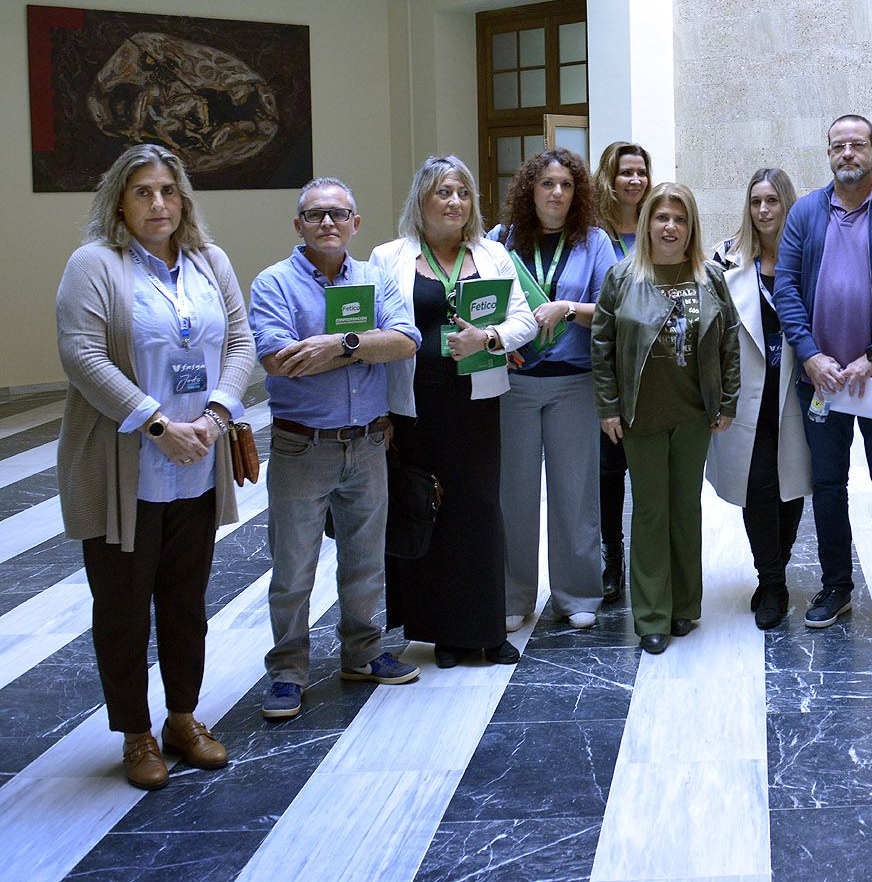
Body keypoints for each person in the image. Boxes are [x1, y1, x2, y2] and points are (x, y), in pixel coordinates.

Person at [55, 144, 254, 789]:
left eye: (168, 191)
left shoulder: (210, 261)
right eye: (143, 192)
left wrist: (216, 417)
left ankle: (182, 717)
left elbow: (241, 343)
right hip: (127, 469)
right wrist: (159, 424)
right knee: (121, 607)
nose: (158, 204)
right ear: (120, 200)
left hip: (196, 464)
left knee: (185, 601)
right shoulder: (95, 265)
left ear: (184, 198)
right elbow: (84, 357)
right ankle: (136, 733)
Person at [248, 177, 423, 722]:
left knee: (366, 561)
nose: (328, 223)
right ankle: (288, 672)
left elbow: (406, 339)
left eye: (339, 214)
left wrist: (339, 343)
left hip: (369, 444)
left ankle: (363, 652)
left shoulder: (373, 279)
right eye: (316, 215)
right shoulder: (273, 283)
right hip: (304, 447)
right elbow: (279, 359)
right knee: (294, 568)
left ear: (356, 223)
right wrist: (365, 349)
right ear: (297, 224)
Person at [370, 155, 536, 669]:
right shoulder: (388, 256)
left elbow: (526, 321)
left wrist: (488, 337)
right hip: (414, 402)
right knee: (425, 507)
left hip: (476, 399)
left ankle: (484, 629)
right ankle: (440, 630)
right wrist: (382, 413)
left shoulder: (493, 255)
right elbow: (377, 332)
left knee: (479, 509)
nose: (454, 201)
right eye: (443, 191)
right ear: (421, 200)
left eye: (463, 192)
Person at [775, 114, 872, 634]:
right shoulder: (803, 213)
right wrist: (811, 355)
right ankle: (837, 586)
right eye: (838, 145)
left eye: (856, 145)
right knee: (828, 484)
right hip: (820, 380)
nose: (847, 154)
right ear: (829, 153)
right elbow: (787, 289)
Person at [592, 182, 740, 654]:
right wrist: (609, 405)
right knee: (652, 512)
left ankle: (683, 607)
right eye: (661, 218)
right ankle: (652, 614)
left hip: (695, 414)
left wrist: (728, 401)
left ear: (690, 225)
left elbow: (730, 341)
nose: (670, 226)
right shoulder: (622, 277)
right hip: (642, 416)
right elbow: (603, 345)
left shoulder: (709, 277)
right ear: (647, 224)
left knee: (685, 509)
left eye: (679, 218)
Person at [490, 149, 617, 632]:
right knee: (514, 494)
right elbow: (484, 303)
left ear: (577, 192)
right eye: (547, 183)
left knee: (576, 493)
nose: (557, 193)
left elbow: (612, 306)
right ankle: (513, 595)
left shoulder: (595, 242)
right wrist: (502, 339)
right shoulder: (501, 242)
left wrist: (566, 307)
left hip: (574, 384)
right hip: (514, 384)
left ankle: (578, 592)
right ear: (530, 189)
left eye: (565, 184)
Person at [707, 168, 812, 629]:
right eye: (756, 202)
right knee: (759, 485)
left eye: (772, 201)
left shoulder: (810, 258)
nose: (764, 210)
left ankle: (776, 565)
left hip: (798, 391)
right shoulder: (725, 261)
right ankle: (771, 581)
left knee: (791, 485)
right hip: (747, 394)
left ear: (787, 204)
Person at [594, 141, 652, 603]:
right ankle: (612, 559)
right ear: (609, 179)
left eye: (641, 172)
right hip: (608, 368)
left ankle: (652, 563)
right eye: (625, 172)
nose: (634, 180)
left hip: (654, 369)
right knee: (609, 471)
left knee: (650, 472)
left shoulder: (658, 226)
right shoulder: (592, 234)